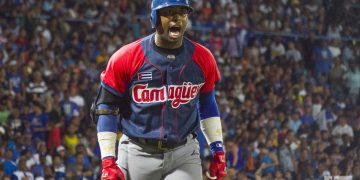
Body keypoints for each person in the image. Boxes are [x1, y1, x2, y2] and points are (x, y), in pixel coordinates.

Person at [90, 0, 227, 179]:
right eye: (169, 12)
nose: (176, 17)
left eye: (182, 12)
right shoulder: (126, 57)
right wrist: (108, 161)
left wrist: (218, 151)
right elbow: (105, 108)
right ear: (154, 18)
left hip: (184, 153)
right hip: (136, 151)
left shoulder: (203, 58)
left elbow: (207, 106)